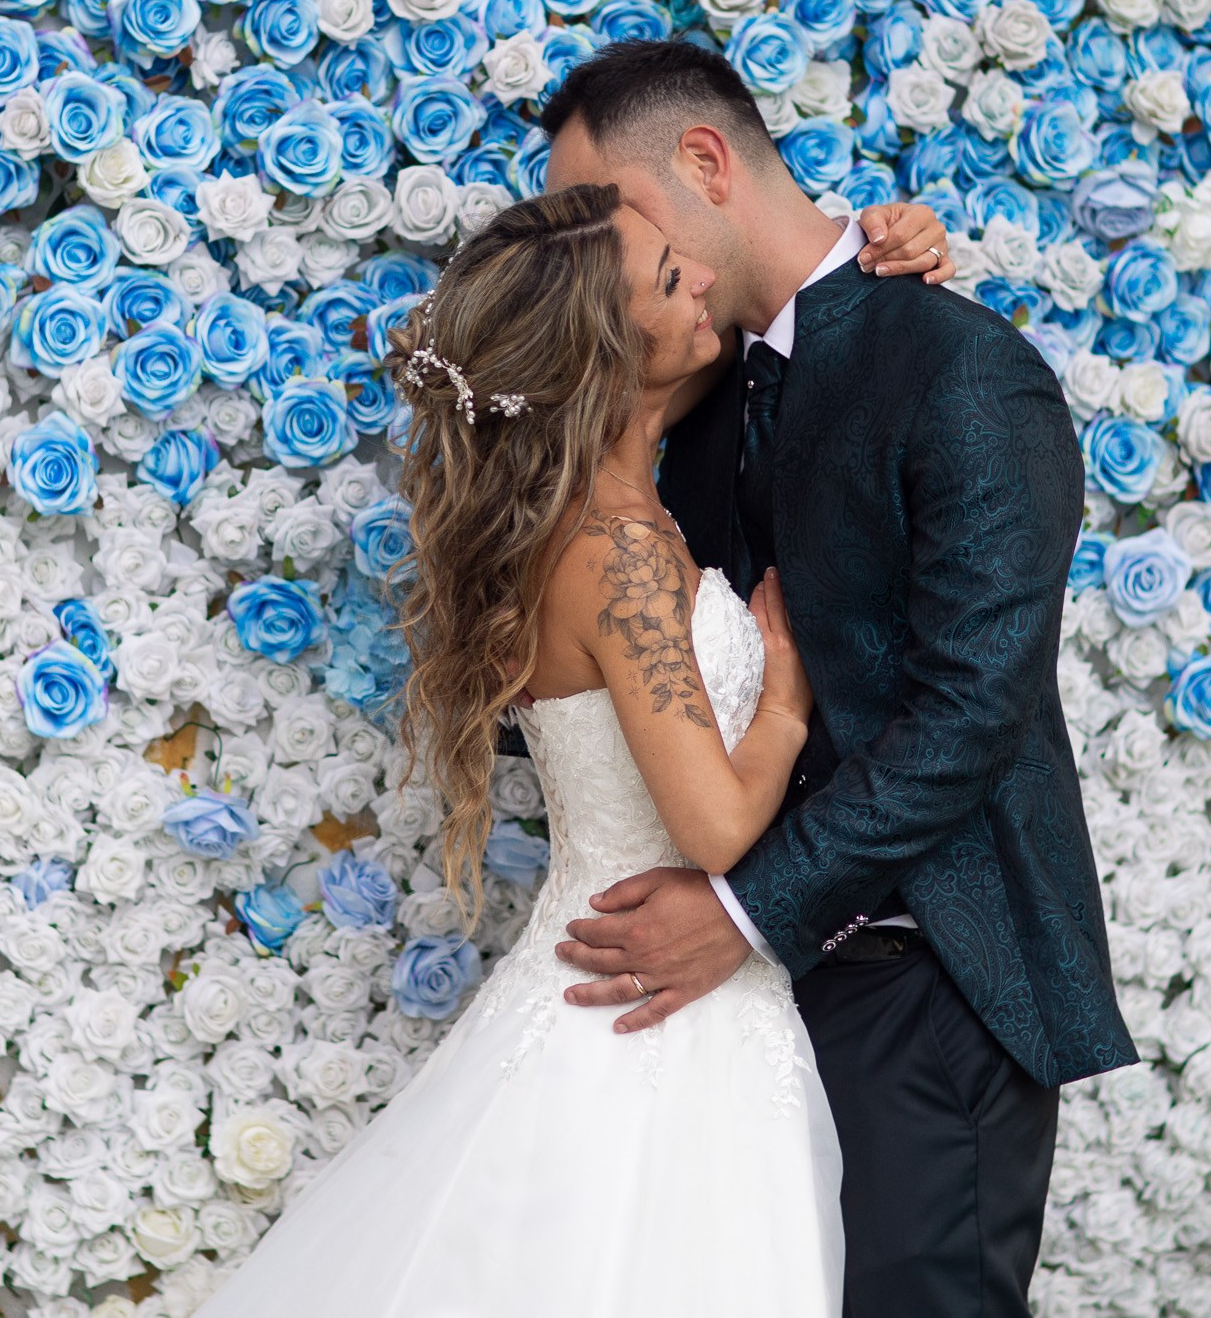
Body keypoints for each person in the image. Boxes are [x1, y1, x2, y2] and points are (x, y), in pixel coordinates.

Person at [195, 180, 954, 1316]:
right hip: (655, 1004)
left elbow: (770, 335)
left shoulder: (595, 519)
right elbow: (714, 827)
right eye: (667, 278)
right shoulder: (619, 553)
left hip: (626, 983)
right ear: (608, 356)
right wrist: (784, 695)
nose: (702, 276)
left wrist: (891, 252)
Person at [538, 40, 1137, 1318]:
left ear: (702, 163)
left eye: (609, 212)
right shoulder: (674, 391)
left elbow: (973, 709)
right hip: (725, 1022)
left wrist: (747, 911)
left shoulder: (958, 369)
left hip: (921, 979)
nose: (588, 248)